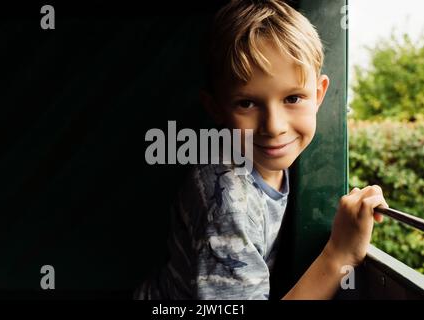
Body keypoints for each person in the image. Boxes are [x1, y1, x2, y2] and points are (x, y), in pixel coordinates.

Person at [134, 0, 389, 299]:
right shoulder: (229, 201)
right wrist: (339, 255)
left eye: (293, 98)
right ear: (215, 108)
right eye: (247, 103)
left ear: (319, 94)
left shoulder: (268, 159)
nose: (274, 126)